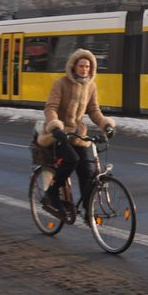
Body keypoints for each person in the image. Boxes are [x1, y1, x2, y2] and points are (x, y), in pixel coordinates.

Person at [36, 48, 115, 218]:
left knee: (86, 170)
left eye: (88, 66)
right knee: (71, 159)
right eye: (81, 66)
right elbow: (50, 108)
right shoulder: (61, 83)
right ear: (73, 66)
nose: (85, 69)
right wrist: (55, 127)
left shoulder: (91, 86)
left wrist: (106, 125)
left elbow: (94, 111)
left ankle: (88, 210)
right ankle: (52, 192)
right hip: (57, 133)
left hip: (77, 134)